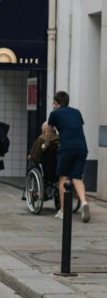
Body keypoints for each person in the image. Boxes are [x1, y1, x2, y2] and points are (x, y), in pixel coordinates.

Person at [44, 90, 90, 223]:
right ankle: (84, 202)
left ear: (56, 103)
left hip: (67, 147)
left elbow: (48, 133)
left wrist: (46, 145)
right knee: (76, 177)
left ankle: (63, 211)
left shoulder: (54, 113)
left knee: (63, 178)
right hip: (82, 147)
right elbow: (77, 128)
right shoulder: (77, 112)